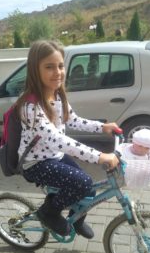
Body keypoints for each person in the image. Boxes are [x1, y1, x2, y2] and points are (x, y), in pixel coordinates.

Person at [15, 40, 120, 239]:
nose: (58, 72)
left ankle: (77, 217)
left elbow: (73, 120)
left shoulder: (57, 95)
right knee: (82, 182)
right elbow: (58, 140)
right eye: (49, 67)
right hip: (36, 163)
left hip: (54, 155)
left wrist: (102, 127)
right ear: (34, 70)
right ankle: (49, 212)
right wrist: (99, 156)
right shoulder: (30, 107)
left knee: (88, 188)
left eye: (61, 66)